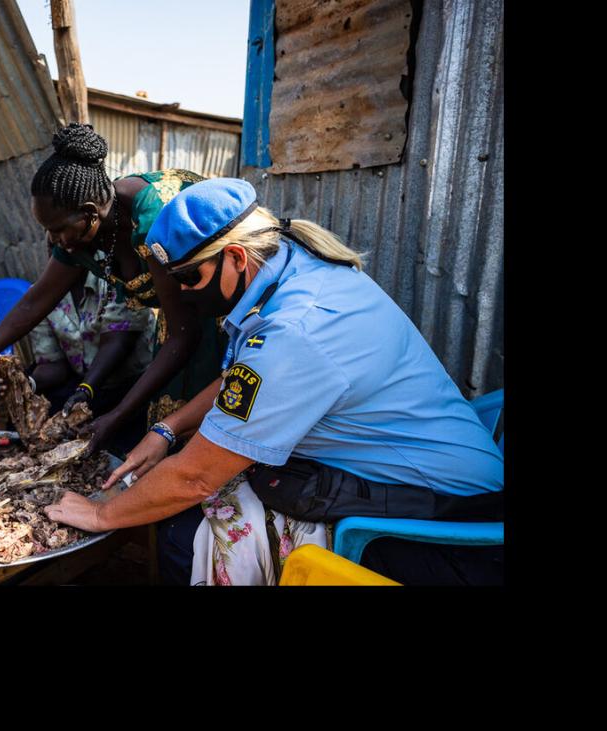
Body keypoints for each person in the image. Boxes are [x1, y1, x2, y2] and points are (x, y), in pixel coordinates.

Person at [42, 178, 506, 586]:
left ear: (235, 257)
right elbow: (242, 378)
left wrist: (100, 513)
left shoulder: (295, 329)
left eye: (188, 277)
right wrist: (168, 428)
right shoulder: (292, 265)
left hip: (448, 531)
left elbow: (195, 477)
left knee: (184, 534)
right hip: (428, 474)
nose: (180, 291)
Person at [0, 122, 215, 453]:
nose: (53, 239)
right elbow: (34, 302)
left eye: (57, 230)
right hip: (180, 330)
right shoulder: (85, 233)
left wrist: (116, 415)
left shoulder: (153, 221)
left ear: (89, 214)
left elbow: (184, 335)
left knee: (199, 435)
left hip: (219, 318)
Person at [25, 253, 155, 453]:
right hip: (84, 388)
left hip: (131, 384)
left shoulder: (114, 276)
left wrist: (86, 389)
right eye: (53, 242)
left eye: (64, 241)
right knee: (45, 431)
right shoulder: (43, 293)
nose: (60, 247)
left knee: (124, 448)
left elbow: (118, 341)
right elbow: (54, 365)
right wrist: (25, 384)